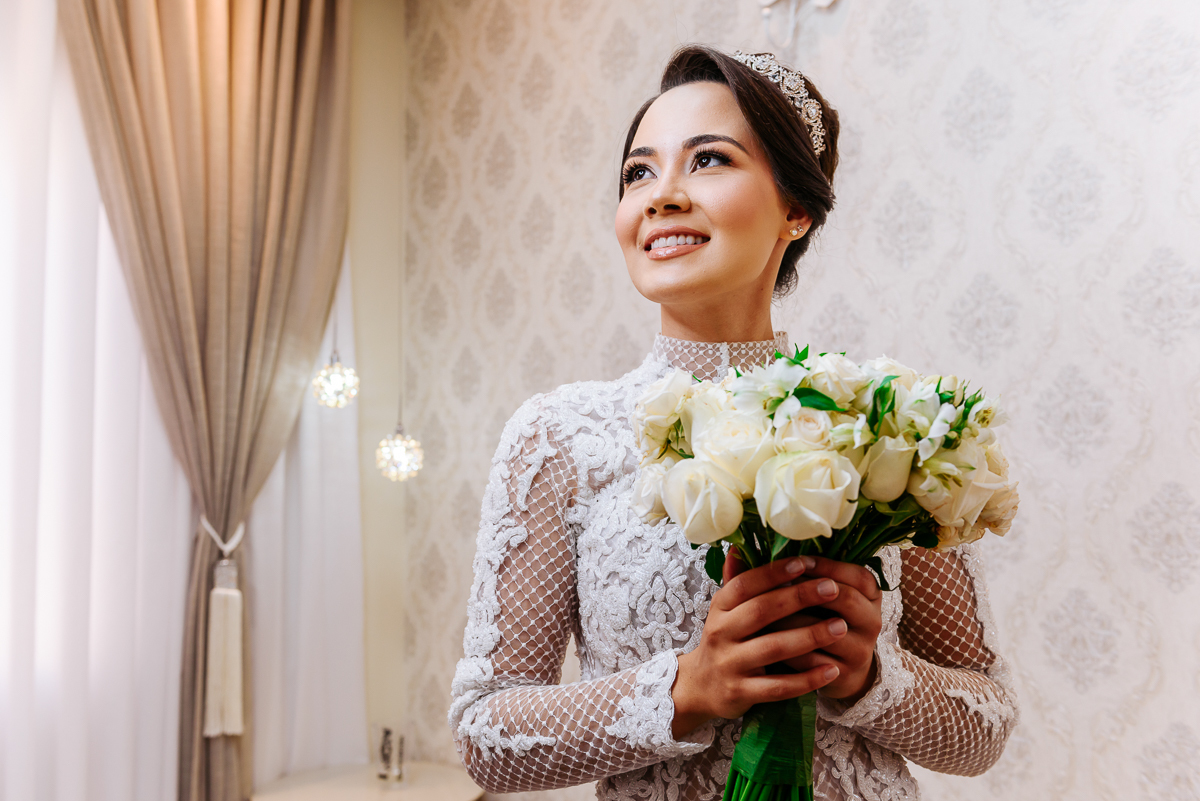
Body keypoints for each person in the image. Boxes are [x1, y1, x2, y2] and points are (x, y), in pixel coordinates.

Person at [449, 45, 1017, 800]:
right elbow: (488, 737)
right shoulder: (557, 436)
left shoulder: (884, 424)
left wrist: (870, 677)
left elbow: (987, 724)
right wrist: (688, 687)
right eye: (638, 173)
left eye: (708, 160)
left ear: (796, 208)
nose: (662, 195)